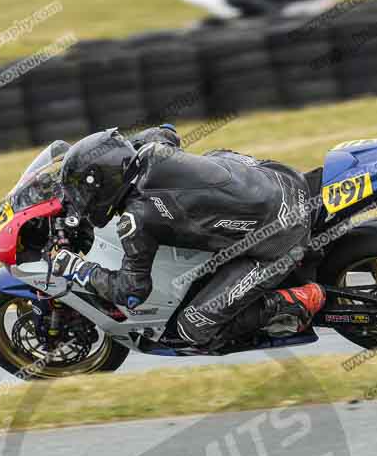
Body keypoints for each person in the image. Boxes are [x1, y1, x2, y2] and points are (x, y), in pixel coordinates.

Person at [49, 125, 326, 350]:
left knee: (194, 326)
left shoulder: (137, 219)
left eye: (82, 192)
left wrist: (75, 267)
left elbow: (131, 292)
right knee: (214, 155)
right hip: (283, 179)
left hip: (280, 238)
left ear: (103, 183)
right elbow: (167, 130)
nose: (80, 200)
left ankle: (295, 301)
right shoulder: (152, 148)